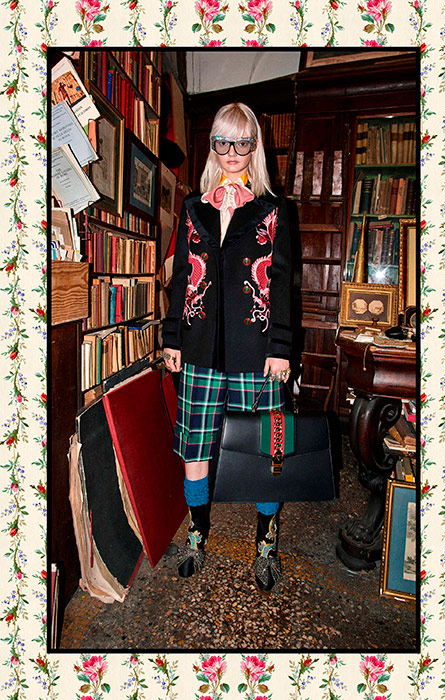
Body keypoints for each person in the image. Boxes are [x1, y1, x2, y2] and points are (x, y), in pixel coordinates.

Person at [161, 102, 292, 591]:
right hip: (199, 349)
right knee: (195, 447)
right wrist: (172, 337)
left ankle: (265, 545)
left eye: (242, 141)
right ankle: (197, 536)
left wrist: (281, 347)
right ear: (212, 145)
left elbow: (281, 282)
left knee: (267, 451)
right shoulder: (193, 207)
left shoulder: (273, 210)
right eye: (222, 141)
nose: (232, 151)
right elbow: (182, 276)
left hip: (257, 352)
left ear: (255, 146)